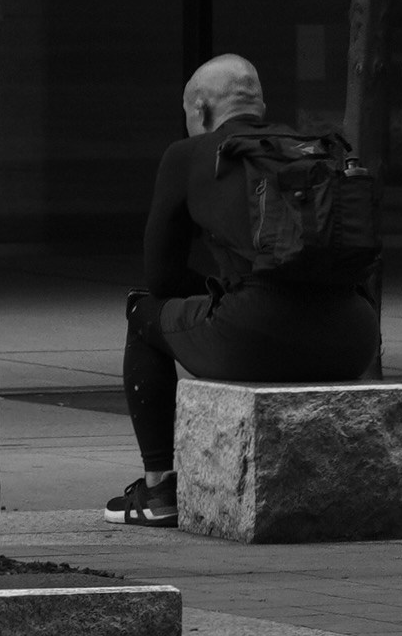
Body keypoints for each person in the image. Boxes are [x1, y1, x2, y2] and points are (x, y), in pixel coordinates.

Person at [104, 54, 385, 527]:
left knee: (142, 310)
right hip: (353, 339)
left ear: (201, 108)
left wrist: (221, 294)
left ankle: (158, 492)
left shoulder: (187, 155)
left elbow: (163, 280)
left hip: (256, 336)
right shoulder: (316, 148)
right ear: (259, 104)